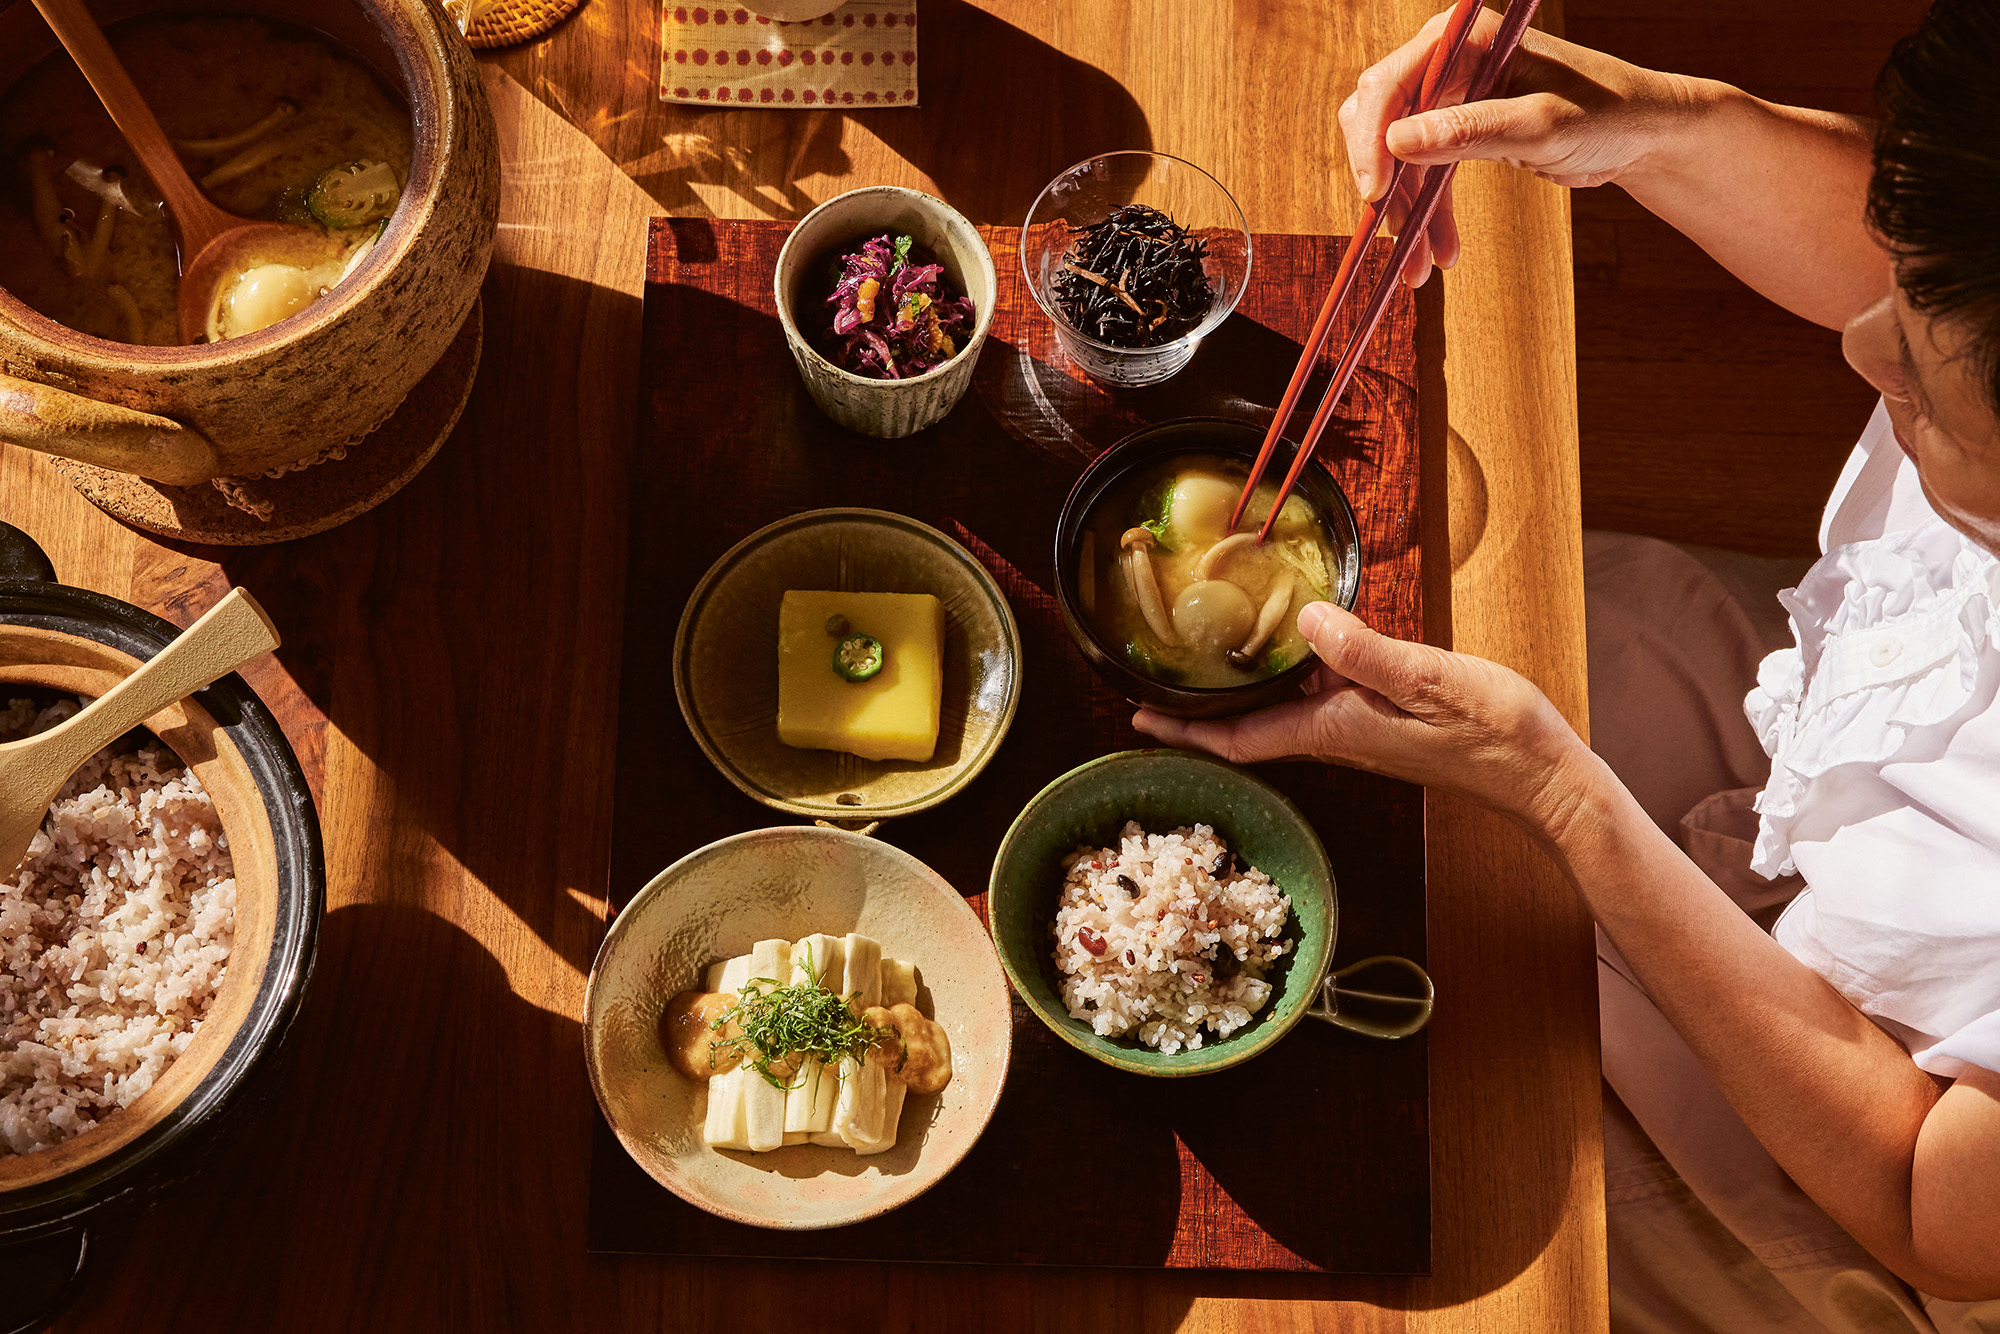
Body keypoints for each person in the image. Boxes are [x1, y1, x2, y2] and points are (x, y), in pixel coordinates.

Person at [1133, 3, 2000, 1329]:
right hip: (1806, 767)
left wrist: (1565, 796)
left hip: (1848, 1160)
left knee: (1414, 1143)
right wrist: (1659, 123)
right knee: (1492, 608)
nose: (1863, 344)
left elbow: (1926, 1202)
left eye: (1930, 398)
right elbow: (1932, 274)